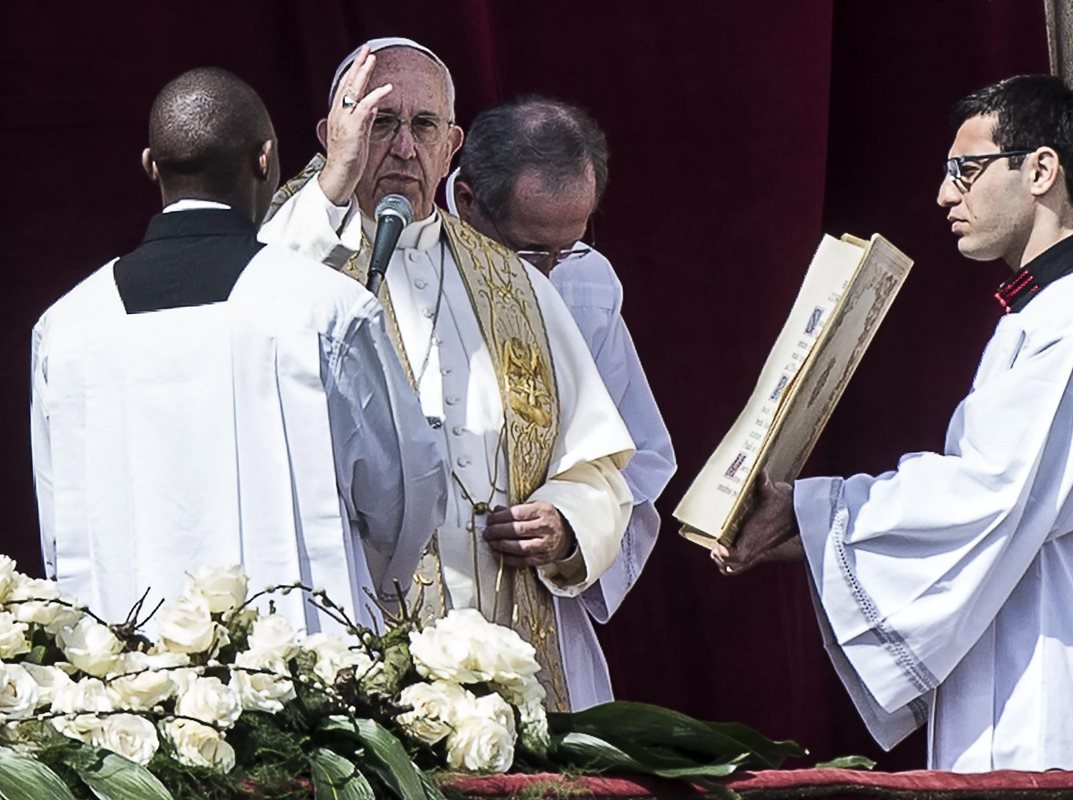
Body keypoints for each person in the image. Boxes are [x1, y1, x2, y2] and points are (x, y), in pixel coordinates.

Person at [712, 74, 1073, 771]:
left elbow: (986, 496)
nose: (945, 195)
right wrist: (798, 528)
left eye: (964, 171)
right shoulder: (1051, 314)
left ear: (1039, 170)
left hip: (1064, 695)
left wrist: (809, 512)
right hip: (1031, 668)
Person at [260, 39, 635, 711]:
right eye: (379, 123)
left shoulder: (516, 284)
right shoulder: (286, 253)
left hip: (497, 655)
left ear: (451, 142)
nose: (404, 147)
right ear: (332, 134)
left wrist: (565, 522)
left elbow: (601, 474)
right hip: (349, 646)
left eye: (424, 126)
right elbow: (250, 331)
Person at [30, 67, 446, 634]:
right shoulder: (326, 311)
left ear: (151, 165)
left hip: (127, 678)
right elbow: (404, 498)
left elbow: (58, 524)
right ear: (266, 159)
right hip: (300, 673)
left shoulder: (66, 327)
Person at [445, 95, 677, 702]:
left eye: (566, 247)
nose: (548, 275)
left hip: (536, 605)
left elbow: (638, 457)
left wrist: (572, 526)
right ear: (468, 201)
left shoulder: (586, 280)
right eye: (528, 252)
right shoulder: (400, 261)